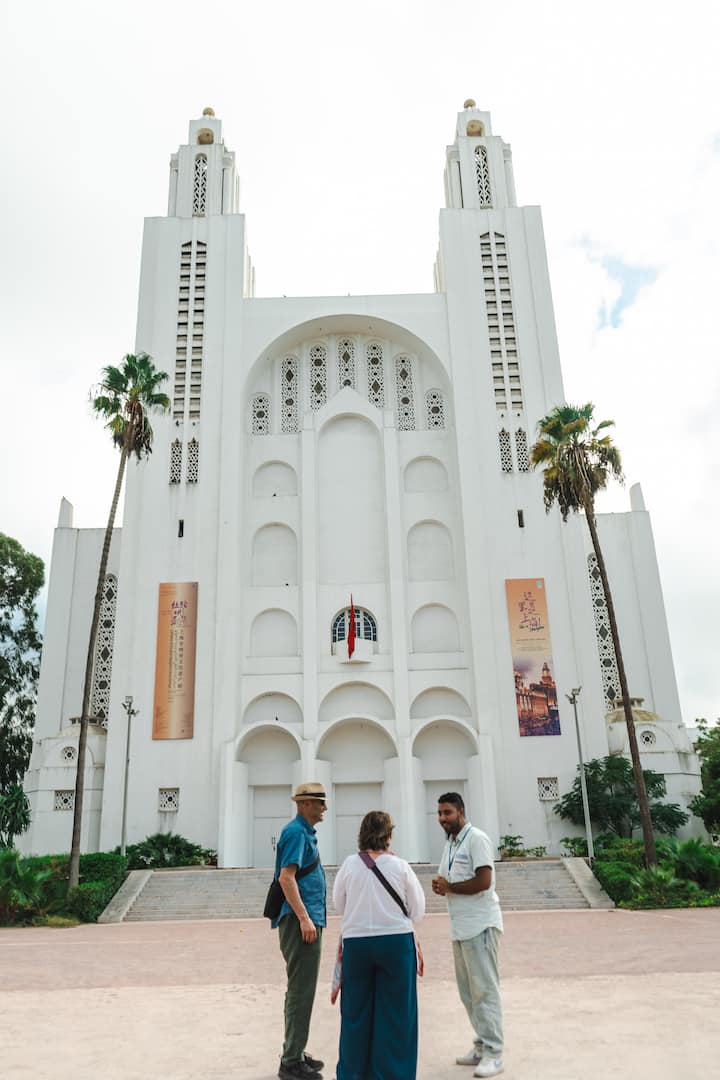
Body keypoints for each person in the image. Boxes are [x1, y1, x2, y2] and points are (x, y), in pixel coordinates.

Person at [332, 809, 426, 1080]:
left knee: (355, 1013)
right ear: (388, 835)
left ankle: (353, 1074)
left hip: (357, 943)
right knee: (397, 1014)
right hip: (396, 942)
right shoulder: (400, 866)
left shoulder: (349, 865)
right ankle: (392, 1074)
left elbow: (339, 905)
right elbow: (417, 910)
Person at [432, 792, 504, 1078]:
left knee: (485, 990)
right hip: (460, 928)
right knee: (468, 993)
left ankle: (494, 1053)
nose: (442, 818)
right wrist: (441, 886)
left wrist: (450, 887)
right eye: (440, 813)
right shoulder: (451, 843)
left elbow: (484, 881)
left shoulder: (477, 839)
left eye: (447, 813)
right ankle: (481, 1045)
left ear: (461, 811)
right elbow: (449, 878)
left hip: (480, 926)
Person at [273, 782, 328, 1080]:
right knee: (300, 990)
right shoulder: (296, 832)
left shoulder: (303, 832)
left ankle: (294, 1050)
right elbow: (286, 877)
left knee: (301, 989)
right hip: (299, 922)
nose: (324, 807)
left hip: (304, 919)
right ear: (305, 804)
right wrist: (305, 918)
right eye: (319, 802)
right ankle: (291, 1061)